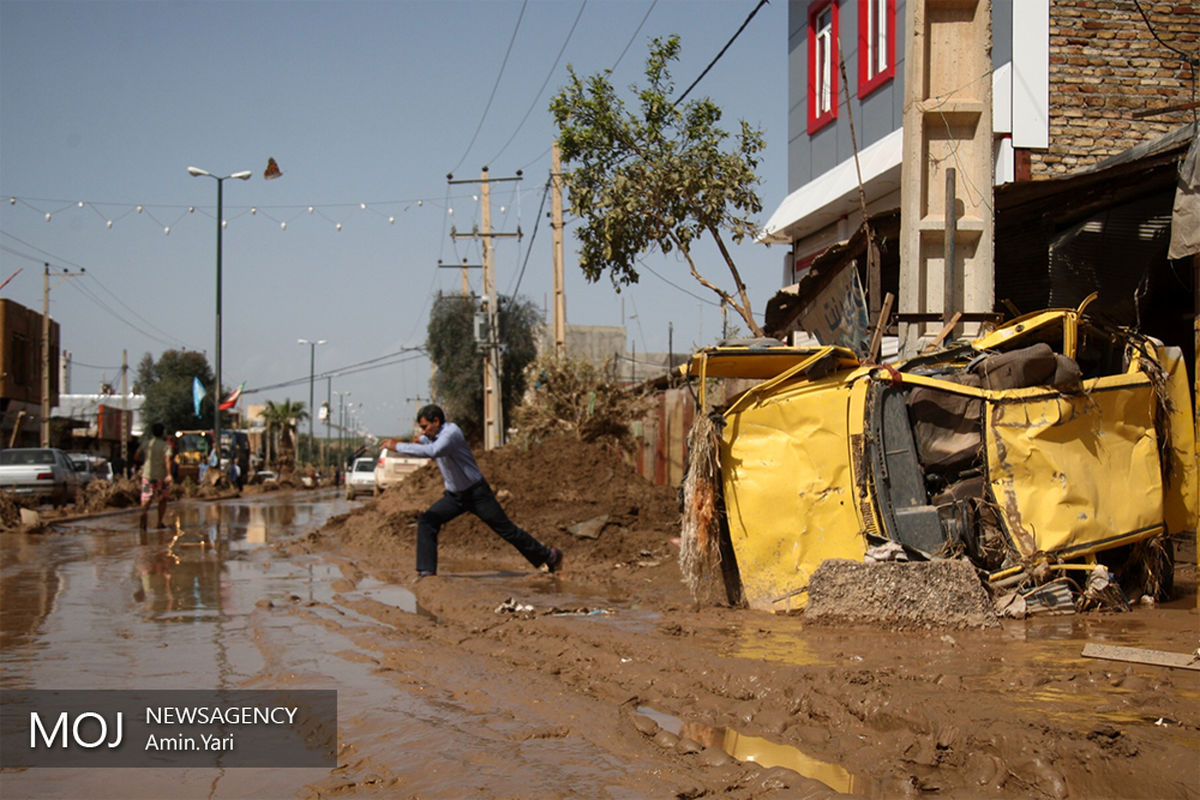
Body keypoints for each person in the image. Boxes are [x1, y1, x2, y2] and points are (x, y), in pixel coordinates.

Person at [379, 404, 562, 578]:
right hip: (454, 497)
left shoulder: (451, 433)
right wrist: (410, 439)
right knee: (427, 521)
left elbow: (433, 450)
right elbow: (423, 441)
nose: (424, 431)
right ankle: (426, 572)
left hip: (477, 494)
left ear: (436, 421)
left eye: (426, 426)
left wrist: (395, 446)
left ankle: (548, 556)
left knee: (506, 530)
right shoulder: (432, 435)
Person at [136, 423, 173, 531]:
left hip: (147, 477)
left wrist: (144, 462)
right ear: (163, 433)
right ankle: (159, 522)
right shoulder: (166, 446)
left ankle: (143, 513)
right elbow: (167, 461)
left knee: (146, 497)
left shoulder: (146, 443)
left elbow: (136, 455)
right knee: (163, 498)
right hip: (161, 478)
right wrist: (169, 474)